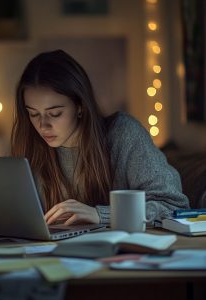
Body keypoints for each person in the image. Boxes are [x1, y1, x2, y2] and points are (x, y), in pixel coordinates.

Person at [11, 49, 189, 226]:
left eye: (55, 113)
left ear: (79, 106)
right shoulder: (30, 145)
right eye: (33, 114)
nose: (43, 125)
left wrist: (100, 214)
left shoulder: (123, 133)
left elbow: (172, 205)